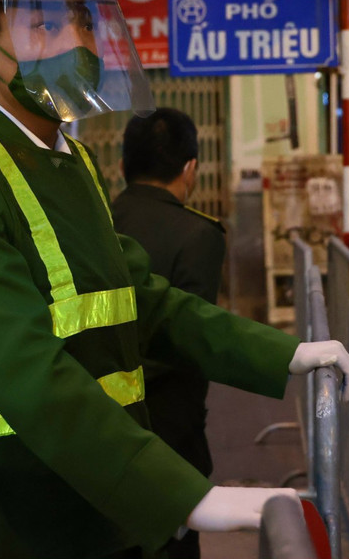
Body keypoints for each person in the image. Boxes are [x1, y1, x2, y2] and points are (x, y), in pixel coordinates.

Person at [0, 0, 349, 559]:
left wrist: (285, 355)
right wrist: (183, 496)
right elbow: (25, 370)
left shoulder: (69, 161)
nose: (73, 42)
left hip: (84, 508)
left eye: (81, 20)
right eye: (44, 25)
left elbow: (143, 299)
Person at [111, 107, 224, 559]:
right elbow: (192, 339)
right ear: (190, 168)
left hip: (96, 433)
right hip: (171, 439)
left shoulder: (96, 223)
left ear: (123, 165)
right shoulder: (199, 235)